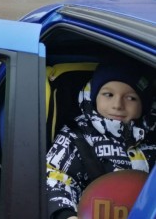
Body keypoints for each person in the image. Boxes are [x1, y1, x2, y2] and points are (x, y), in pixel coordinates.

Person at [46, 62, 156, 219]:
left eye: (131, 98)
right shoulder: (77, 136)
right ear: (94, 96)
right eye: (108, 95)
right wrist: (66, 214)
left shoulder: (151, 139)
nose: (118, 105)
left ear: (143, 105)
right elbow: (56, 177)